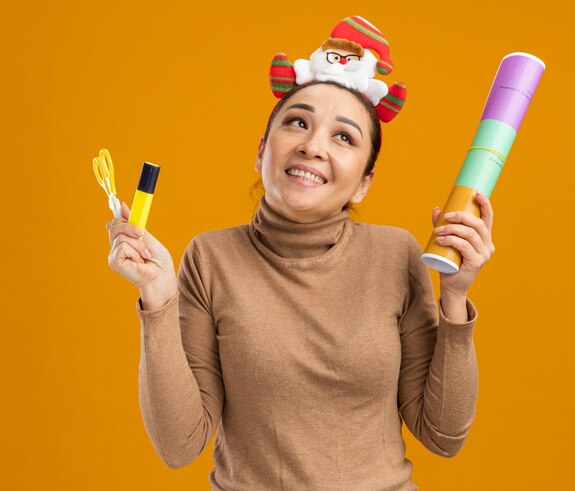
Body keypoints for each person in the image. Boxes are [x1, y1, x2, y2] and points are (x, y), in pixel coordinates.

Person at [106, 19, 495, 491]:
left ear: (365, 180)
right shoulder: (209, 259)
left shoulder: (398, 255)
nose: (312, 146)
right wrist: (157, 299)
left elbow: (442, 435)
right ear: (262, 150)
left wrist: (454, 302)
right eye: (298, 122)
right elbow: (179, 444)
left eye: (344, 137)